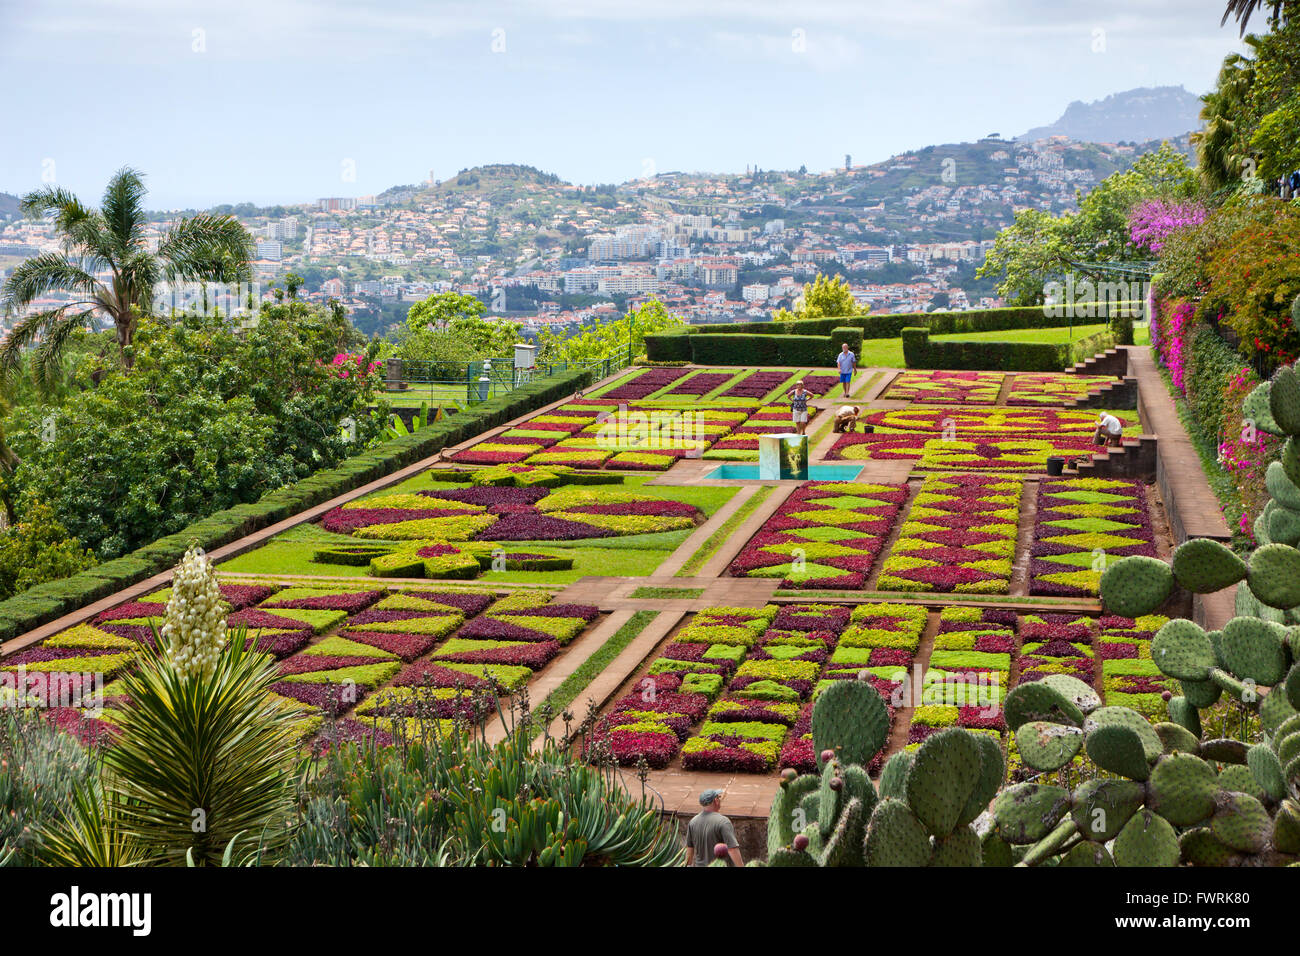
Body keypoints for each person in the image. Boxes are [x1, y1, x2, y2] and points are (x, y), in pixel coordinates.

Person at [684, 789, 742, 867]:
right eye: (719, 797)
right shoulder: (723, 821)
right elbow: (732, 849)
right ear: (716, 800)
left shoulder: (693, 822)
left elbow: (689, 850)